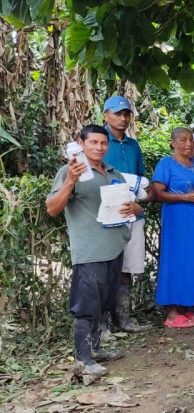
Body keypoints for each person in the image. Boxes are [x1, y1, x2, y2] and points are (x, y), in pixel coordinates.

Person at [46, 124, 141, 376]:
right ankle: (83, 359)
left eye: (103, 143)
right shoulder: (70, 171)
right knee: (86, 305)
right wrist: (71, 181)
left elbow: (135, 207)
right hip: (89, 251)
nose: (99, 147)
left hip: (114, 247)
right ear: (81, 143)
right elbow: (52, 209)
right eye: (93, 143)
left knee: (104, 301)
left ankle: (96, 349)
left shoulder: (113, 173)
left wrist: (134, 209)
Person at [152, 128, 194, 328]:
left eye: (191, 140)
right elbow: (157, 194)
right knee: (176, 261)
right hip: (178, 221)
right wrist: (187, 197)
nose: (188, 144)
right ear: (173, 143)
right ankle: (171, 312)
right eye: (183, 140)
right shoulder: (166, 164)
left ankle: (186, 306)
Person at [101, 95, 151, 333]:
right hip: (106, 215)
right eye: (117, 113)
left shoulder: (133, 145)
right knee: (105, 268)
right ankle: (102, 325)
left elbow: (143, 181)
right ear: (105, 115)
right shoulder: (98, 141)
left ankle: (124, 318)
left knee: (126, 268)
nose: (123, 118)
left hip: (132, 213)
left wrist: (140, 204)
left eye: (126, 114)